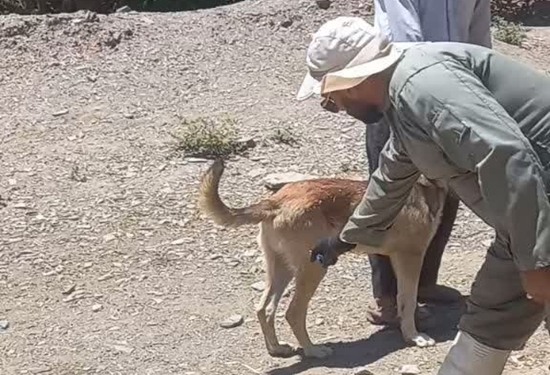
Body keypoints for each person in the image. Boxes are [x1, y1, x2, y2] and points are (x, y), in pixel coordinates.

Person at [297, 16, 550, 374]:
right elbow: (392, 175)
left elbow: (508, 158)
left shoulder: (423, 86)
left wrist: (537, 261)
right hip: (530, 212)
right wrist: (344, 238)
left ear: (349, 84)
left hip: (538, 208)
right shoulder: (403, 96)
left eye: (329, 97)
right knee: (491, 314)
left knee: (505, 303)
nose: (335, 107)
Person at [362, 0, 492, 325]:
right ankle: (388, 295)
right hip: (397, 84)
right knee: (393, 189)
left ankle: (423, 282)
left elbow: (478, 30)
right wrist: (428, 92)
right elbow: (406, 36)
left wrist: (480, 82)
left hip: (454, 86)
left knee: (445, 185)